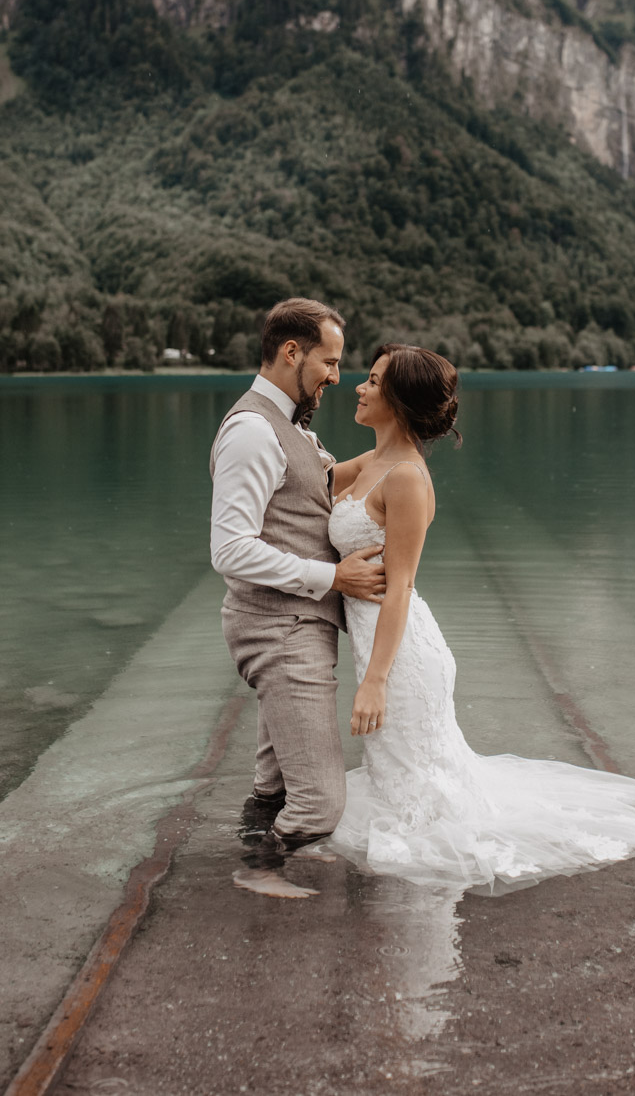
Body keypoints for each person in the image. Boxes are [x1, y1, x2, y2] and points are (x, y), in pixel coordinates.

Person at [327, 343, 635, 894]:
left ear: (397, 401)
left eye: (372, 381)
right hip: (380, 643)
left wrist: (373, 683)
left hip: (399, 658)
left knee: (416, 794)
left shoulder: (407, 479)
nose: (359, 387)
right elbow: (314, 477)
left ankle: (420, 921)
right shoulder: (370, 462)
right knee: (401, 780)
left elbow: (400, 588)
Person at [210, 297, 386, 898]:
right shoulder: (253, 430)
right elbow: (230, 549)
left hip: (292, 623)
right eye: (330, 362)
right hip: (278, 628)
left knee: (277, 781)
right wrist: (333, 578)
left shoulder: (289, 427)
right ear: (292, 352)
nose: (337, 377)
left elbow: (316, 489)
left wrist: (400, 442)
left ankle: (261, 854)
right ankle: (259, 868)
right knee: (320, 804)